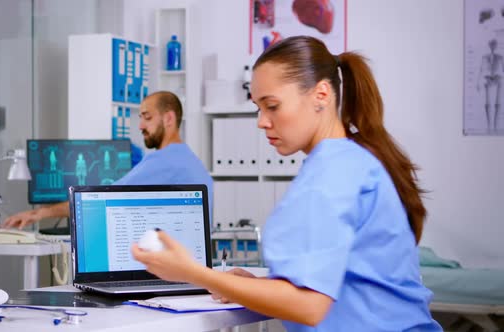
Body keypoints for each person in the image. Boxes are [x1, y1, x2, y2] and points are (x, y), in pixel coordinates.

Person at [132, 36, 441, 331]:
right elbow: (344, 286)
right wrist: (251, 286)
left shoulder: (333, 171)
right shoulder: (350, 159)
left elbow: (309, 306)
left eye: (273, 106)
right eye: (258, 107)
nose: (262, 121)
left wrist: (193, 273)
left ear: (321, 95)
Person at [3, 91, 213, 229]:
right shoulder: (185, 156)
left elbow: (98, 199)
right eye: (139, 118)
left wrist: (38, 214)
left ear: (168, 119)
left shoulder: (165, 160)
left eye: (147, 117)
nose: (140, 126)